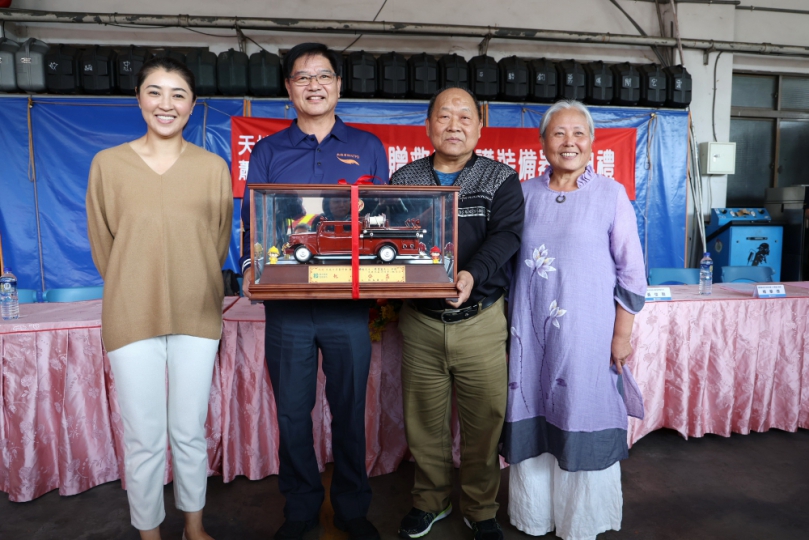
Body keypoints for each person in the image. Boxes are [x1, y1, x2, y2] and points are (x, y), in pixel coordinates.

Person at [239, 42, 388, 540]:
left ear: (339, 85)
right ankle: (300, 509)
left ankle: (352, 508)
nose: (314, 85)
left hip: (348, 308)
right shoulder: (268, 150)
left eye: (323, 76)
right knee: (292, 413)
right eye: (303, 77)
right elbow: (252, 224)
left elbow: (379, 219)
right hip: (287, 310)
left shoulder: (368, 146)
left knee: (349, 412)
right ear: (288, 88)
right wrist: (249, 267)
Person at [86, 56, 233, 540]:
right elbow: (104, 245)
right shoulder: (108, 165)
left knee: (189, 431)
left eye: (178, 95)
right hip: (130, 315)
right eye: (155, 91)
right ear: (138, 98)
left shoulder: (213, 168)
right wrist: (135, 284)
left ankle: (195, 526)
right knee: (144, 436)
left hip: (197, 314)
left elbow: (216, 242)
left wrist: (190, 281)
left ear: (192, 107)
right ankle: (149, 532)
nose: (165, 104)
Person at [501, 100, 647, 540]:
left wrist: (621, 334)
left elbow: (631, 270)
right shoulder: (523, 195)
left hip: (587, 334)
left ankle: (581, 520)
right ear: (542, 142)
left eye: (578, 133)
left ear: (592, 142)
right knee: (534, 408)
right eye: (558, 133)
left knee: (580, 408)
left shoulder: (610, 194)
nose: (569, 142)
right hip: (529, 332)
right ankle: (534, 515)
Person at [390, 87, 524, 540]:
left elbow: (506, 236)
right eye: (443, 117)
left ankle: (481, 506)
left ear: (479, 127)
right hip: (421, 323)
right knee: (423, 421)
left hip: (481, 321)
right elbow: (385, 239)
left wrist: (470, 274)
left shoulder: (499, 179)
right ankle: (430, 500)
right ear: (427, 127)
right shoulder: (404, 180)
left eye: (464, 117)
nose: (453, 125)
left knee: (484, 421)